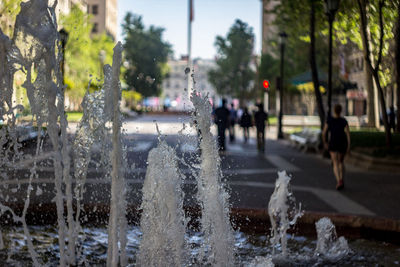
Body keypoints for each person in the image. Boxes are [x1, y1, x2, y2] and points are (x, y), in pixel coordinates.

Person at [322, 104, 351, 190]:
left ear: (334, 110)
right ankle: (341, 179)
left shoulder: (329, 120)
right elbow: (348, 134)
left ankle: (339, 181)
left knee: (335, 162)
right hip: (342, 143)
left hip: (333, 142)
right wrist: (349, 145)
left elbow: (324, 133)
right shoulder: (343, 121)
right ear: (341, 110)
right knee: (341, 162)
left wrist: (325, 142)